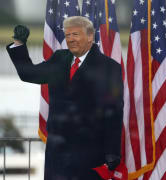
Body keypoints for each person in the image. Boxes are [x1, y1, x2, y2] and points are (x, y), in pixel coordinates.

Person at [6, 16, 123, 180]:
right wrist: (19, 43)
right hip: (57, 154)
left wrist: (112, 152)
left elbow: (114, 112)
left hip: (90, 155)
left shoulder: (109, 67)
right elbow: (29, 74)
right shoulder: (59, 59)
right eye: (67, 36)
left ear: (90, 36)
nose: (70, 40)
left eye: (75, 34)